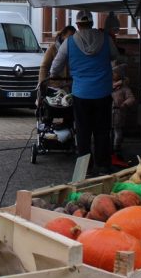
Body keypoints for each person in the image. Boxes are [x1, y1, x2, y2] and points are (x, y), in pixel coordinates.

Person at [50, 10, 118, 175]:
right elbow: (115, 56)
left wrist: (53, 75)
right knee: (102, 131)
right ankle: (103, 166)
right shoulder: (105, 39)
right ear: (92, 23)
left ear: (78, 24)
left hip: (81, 94)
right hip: (102, 93)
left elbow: (56, 66)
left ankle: (85, 168)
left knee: (83, 132)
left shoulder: (69, 42)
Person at [111, 67, 136, 167]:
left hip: (118, 112)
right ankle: (109, 149)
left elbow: (131, 98)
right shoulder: (108, 85)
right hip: (108, 112)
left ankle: (116, 148)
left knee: (117, 132)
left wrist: (125, 104)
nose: (113, 75)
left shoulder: (124, 88)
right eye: (113, 73)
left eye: (115, 73)